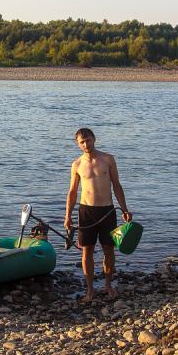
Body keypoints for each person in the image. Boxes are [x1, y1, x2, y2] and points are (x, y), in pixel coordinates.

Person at [64, 127, 132, 303]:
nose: (86, 144)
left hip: (107, 210)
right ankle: (90, 290)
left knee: (109, 249)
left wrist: (124, 209)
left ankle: (108, 285)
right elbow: (72, 192)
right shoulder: (77, 165)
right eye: (82, 142)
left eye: (88, 140)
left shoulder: (108, 159)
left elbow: (116, 185)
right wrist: (67, 216)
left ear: (94, 139)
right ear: (78, 144)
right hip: (87, 211)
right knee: (87, 251)